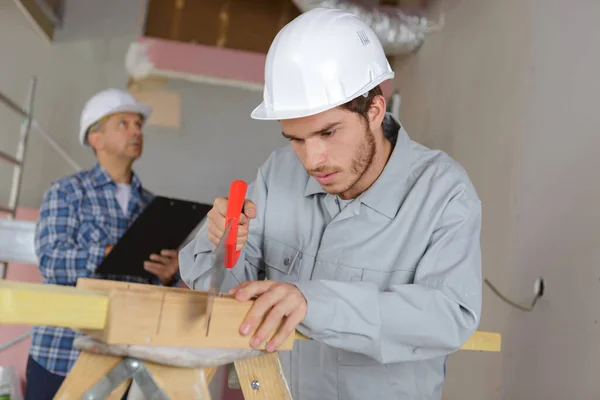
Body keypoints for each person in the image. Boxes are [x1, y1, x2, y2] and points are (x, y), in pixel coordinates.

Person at [179, 7, 482, 400]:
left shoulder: (443, 193)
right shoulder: (278, 173)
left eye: (328, 132)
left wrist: (314, 302)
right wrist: (220, 244)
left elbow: (450, 315)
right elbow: (228, 295)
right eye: (296, 138)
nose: (312, 160)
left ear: (375, 109)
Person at [24, 89, 181, 400]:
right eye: (124, 124)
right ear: (96, 139)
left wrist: (168, 276)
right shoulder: (67, 192)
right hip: (60, 355)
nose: (136, 130)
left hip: (122, 360)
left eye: (138, 124)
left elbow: (152, 288)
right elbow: (52, 262)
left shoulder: (153, 206)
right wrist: (111, 254)